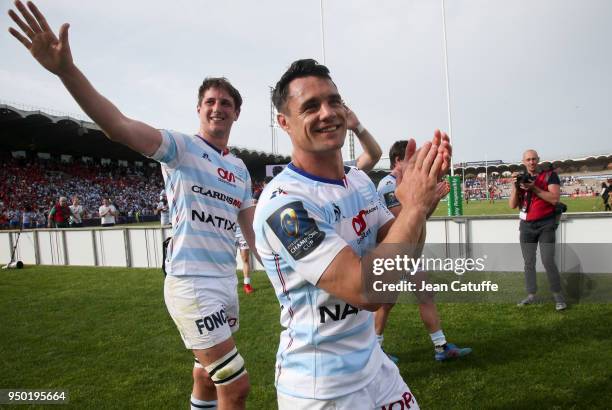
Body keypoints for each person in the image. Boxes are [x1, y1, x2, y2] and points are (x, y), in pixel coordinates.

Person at [9, 3, 256, 408]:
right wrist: (65, 70)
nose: (217, 108)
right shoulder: (181, 147)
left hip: (224, 282)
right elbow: (117, 126)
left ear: (236, 113)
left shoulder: (241, 169)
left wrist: (276, 267)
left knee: (206, 374)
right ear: (199, 109)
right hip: (190, 283)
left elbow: (251, 228)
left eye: (226, 103)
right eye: (210, 101)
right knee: (236, 384)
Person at [254, 59, 451, 408]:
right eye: (311, 106)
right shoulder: (283, 204)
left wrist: (417, 206)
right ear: (284, 123)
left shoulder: (358, 180)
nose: (328, 112)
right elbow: (366, 289)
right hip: (322, 387)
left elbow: (402, 256)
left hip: (374, 366)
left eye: (334, 101)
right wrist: (415, 209)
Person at [377, 140, 472, 362]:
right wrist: (429, 200)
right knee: (385, 302)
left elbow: (420, 217)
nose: (417, 165)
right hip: (393, 250)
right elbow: (402, 221)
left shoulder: (406, 184)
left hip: (410, 252)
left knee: (425, 294)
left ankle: (441, 346)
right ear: (398, 161)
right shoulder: (389, 185)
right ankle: (375, 350)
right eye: (411, 161)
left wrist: (433, 199)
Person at [509, 149, 566, 311]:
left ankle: (557, 295)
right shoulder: (521, 178)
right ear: (524, 162)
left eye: (534, 159)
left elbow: (555, 199)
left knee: (548, 259)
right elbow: (512, 205)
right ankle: (531, 295)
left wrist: (534, 188)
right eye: (528, 159)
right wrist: (515, 186)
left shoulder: (549, 175)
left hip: (546, 223)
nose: (531, 162)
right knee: (528, 262)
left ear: (538, 160)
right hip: (526, 225)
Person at [234, 224, 253, 294]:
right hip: (231, 231)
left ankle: (247, 284)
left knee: (245, 259)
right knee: (230, 260)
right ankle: (229, 283)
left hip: (242, 231)